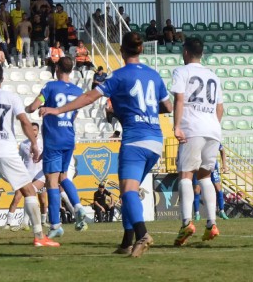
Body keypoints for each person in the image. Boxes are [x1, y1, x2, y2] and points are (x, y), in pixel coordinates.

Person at [40, 31, 172, 258]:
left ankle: (142, 235)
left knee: (128, 191)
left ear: (121, 51)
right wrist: (143, 111)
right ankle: (126, 242)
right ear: (141, 50)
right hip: (155, 140)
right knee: (128, 192)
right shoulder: (154, 75)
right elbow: (168, 107)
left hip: (135, 140)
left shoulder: (119, 76)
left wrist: (58, 109)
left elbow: (89, 97)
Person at [0, 63, 60, 249]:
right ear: (3, 78)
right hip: (7, 150)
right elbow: (24, 121)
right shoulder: (11, 97)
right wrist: (34, 143)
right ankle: (39, 236)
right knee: (29, 191)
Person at [26, 57, 87, 239]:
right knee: (63, 176)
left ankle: (55, 225)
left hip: (54, 138)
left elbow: (34, 106)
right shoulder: (78, 91)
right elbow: (74, 115)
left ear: (57, 68)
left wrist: (27, 108)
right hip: (68, 137)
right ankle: (78, 206)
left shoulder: (50, 87)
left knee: (51, 182)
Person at [171, 37, 224, 246]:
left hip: (192, 128)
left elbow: (179, 99)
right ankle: (212, 224)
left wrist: (176, 126)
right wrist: (212, 126)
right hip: (213, 129)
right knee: (205, 176)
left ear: (185, 52)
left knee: (186, 175)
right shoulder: (213, 75)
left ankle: (186, 223)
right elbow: (220, 108)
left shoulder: (181, 72)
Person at [5, 122, 48, 231]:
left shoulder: (43, 143)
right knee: (18, 197)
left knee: (42, 200)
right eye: (31, 130)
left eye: (35, 130)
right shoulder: (23, 144)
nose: (33, 132)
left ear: (38, 131)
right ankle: (8, 222)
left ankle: (42, 221)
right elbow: (19, 160)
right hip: (26, 175)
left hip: (40, 175)